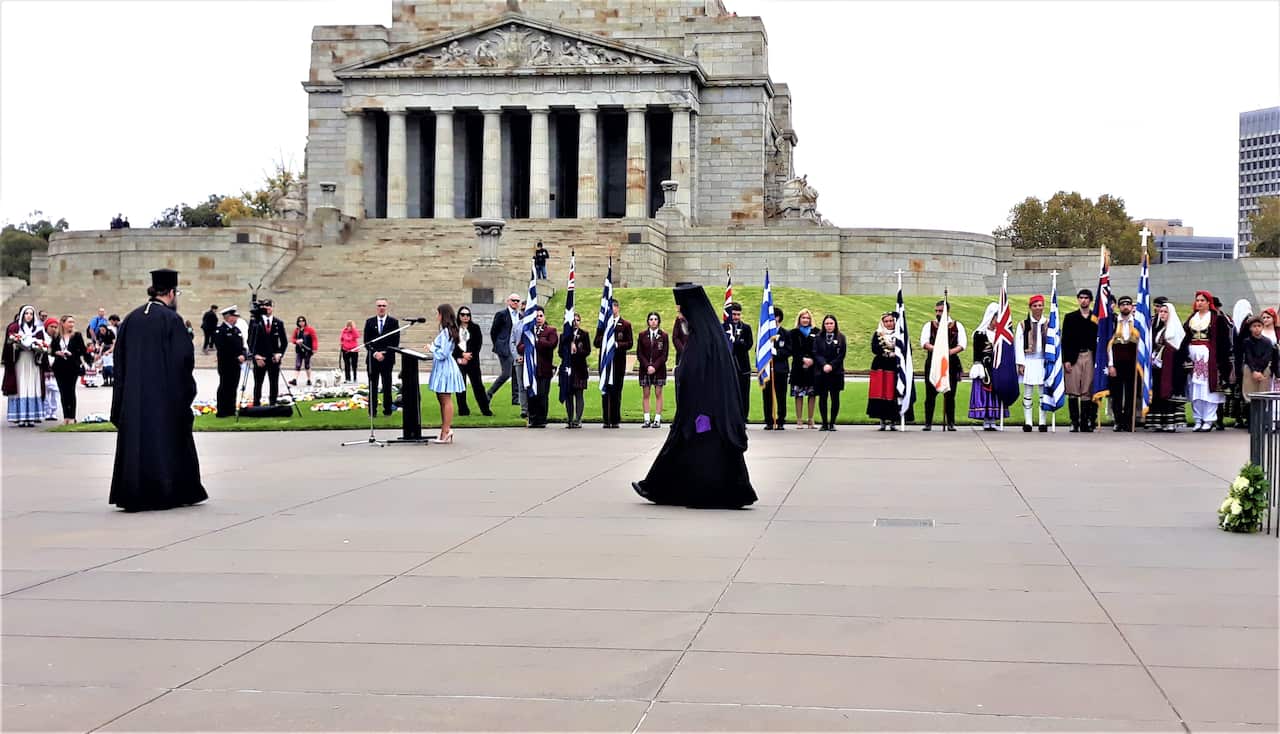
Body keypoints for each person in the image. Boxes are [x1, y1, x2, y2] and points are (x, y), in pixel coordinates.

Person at [632, 284, 757, 509]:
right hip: (696, 404)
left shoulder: (704, 338)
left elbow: (699, 372)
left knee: (696, 448)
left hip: (704, 407)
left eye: (682, 310)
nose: (679, 315)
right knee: (680, 446)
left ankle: (673, 488)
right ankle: (656, 486)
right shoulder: (706, 335)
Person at [109, 269, 207, 512]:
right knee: (166, 444)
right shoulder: (171, 320)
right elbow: (183, 362)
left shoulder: (130, 319)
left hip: (133, 400)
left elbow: (119, 362)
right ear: (171, 293)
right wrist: (184, 395)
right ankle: (165, 491)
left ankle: (133, 493)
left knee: (136, 446)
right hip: (164, 400)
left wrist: (120, 400)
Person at [1179, 290, 1233, 432]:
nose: (1199, 303)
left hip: (1210, 356)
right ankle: (1198, 418)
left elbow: (1224, 342)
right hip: (1193, 355)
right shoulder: (1192, 318)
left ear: (1209, 303)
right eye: (1198, 300)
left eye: (1202, 300)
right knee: (1195, 388)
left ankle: (1209, 419)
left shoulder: (1216, 318)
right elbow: (1183, 337)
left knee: (1209, 388)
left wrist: (1222, 361)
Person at [920, 299, 966, 431]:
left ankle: (951, 422)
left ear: (947, 311)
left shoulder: (957, 326)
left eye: (940, 311)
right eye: (936, 311)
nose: (937, 313)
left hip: (950, 362)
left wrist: (948, 352)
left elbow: (962, 344)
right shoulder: (929, 325)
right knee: (930, 394)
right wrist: (937, 350)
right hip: (933, 362)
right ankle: (928, 422)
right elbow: (924, 342)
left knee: (950, 394)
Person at [3, 305, 48, 427]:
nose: (29, 316)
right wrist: (15, 344)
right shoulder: (14, 327)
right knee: (21, 385)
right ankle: (20, 417)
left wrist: (39, 348)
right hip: (20, 362)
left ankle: (32, 416)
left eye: (31, 314)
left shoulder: (38, 329)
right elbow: (8, 346)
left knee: (32, 385)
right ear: (22, 314)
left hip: (33, 362)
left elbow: (43, 344)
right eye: (27, 313)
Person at [426, 303, 465, 444]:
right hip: (441, 367)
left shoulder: (448, 332)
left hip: (445, 368)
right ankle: (444, 429)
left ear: (443, 315)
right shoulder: (446, 331)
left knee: (446, 398)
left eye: (438, 314)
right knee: (442, 399)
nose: (437, 317)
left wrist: (431, 349)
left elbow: (443, 353)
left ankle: (447, 430)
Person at [1061, 288, 1098, 432]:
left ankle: (1085, 421)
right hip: (1074, 357)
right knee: (1072, 389)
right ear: (1078, 299)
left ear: (1090, 300)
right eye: (1081, 298)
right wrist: (1066, 360)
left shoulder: (1095, 318)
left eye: (1086, 298)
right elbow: (1065, 340)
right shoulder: (1070, 318)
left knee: (1087, 390)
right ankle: (1074, 421)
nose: (1083, 300)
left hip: (1089, 356)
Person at [1147, 299, 1186, 432]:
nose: (1162, 314)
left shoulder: (1176, 329)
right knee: (1158, 392)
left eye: (1165, 312)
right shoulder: (1157, 328)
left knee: (1169, 392)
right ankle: (1158, 421)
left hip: (1172, 367)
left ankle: (1170, 422)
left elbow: (1180, 349)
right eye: (1161, 312)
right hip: (1157, 366)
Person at [968, 303, 1008, 431]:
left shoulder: (1001, 335)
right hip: (984, 369)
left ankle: (994, 419)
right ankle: (986, 419)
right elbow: (977, 353)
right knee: (985, 392)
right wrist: (978, 365)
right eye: (996, 318)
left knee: (996, 393)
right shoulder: (980, 334)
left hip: (996, 368)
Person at [594, 299, 633, 428]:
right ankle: (606, 419)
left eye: (613, 308)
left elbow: (630, 343)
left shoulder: (625, 324)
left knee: (616, 392)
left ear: (617, 308)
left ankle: (615, 419)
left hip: (618, 364)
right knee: (606, 392)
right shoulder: (603, 325)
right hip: (606, 364)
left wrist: (617, 344)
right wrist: (606, 341)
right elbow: (596, 342)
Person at [518, 306, 558, 428]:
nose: (538, 318)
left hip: (544, 369)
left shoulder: (550, 330)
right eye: (536, 316)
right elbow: (520, 346)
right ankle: (533, 418)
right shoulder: (528, 331)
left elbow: (552, 344)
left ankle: (541, 419)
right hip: (531, 369)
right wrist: (529, 345)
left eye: (540, 316)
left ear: (544, 317)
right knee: (532, 394)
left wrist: (537, 341)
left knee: (542, 394)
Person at [1015, 294, 1050, 432]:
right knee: (1028, 392)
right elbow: (1018, 344)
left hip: (1043, 361)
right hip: (1029, 360)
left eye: (1040, 305)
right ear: (1030, 307)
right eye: (1035, 305)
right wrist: (1020, 363)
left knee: (1043, 393)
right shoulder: (1023, 324)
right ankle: (1028, 421)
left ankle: (1042, 421)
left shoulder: (1048, 323)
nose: (1038, 308)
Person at [1107, 296, 1140, 432]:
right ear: (1119, 307)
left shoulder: (1138, 322)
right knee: (1117, 394)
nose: (1125, 307)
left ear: (1132, 307)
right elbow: (1108, 345)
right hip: (1117, 362)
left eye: (1128, 304)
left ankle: (1128, 421)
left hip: (1133, 363)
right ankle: (1118, 421)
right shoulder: (1113, 322)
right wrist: (1110, 364)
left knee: (1131, 394)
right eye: (1123, 304)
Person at [868, 311, 906, 430]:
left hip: (895, 367)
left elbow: (906, 349)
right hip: (881, 366)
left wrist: (897, 354)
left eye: (891, 321)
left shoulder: (900, 334)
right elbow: (874, 348)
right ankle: (882, 420)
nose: (889, 323)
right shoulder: (878, 334)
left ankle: (893, 421)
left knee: (893, 392)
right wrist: (886, 354)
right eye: (886, 321)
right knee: (881, 392)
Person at [50, 315, 91, 425]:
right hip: (59, 366)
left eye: (73, 322)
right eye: (69, 322)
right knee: (63, 392)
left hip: (72, 366)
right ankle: (66, 417)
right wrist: (57, 352)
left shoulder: (76, 335)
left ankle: (72, 416)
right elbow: (52, 349)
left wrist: (87, 360)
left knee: (70, 391)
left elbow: (82, 349)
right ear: (63, 323)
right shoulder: (57, 336)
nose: (71, 324)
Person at [453, 306, 493, 417]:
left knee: (478, 386)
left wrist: (468, 356)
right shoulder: (454, 328)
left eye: (468, 315)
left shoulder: (475, 328)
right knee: (461, 386)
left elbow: (477, 344)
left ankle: (485, 409)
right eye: (463, 314)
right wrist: (462, 355)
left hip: (472, 361)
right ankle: (463, 410)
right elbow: (452, 345)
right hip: (459, 360)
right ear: (459, 316)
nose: (465, 317)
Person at [363, 298, 399, 416]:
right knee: (373, 386)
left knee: (387, 385)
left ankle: (387, 410)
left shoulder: (393, 322)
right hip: (373, 359)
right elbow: (366, 341)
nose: (381, 308)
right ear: (376, 307)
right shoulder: (369, 322)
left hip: (387, 359)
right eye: (379, 305)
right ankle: (372, 412)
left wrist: (384, 353)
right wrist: (375, 353)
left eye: (383, 305)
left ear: (386, 307)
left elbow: (395, 342)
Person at [248, 299, 287, 407]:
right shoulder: (255, 322)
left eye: (269, 305)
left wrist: (280, 353)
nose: (267, 308)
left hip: (274, 358)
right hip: (260, 358)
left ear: (272, 307)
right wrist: (255, 356)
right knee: (258, 383)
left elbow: (284, 342)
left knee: (274, 383)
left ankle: (273, 404)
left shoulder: (278, 323)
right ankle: (256, 404)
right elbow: (250, 341)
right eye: (265, 306)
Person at [813, 314, 847, 431]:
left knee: (835, 398)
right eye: (826, 323)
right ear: (823, 325)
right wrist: (824, 365)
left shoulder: (841, 337)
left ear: (835, 324)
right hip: (821, 372)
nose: (829, 326)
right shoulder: (818, 337)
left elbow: (842, 354)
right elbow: (816, 353)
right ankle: (824, 423)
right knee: (822, 398)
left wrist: (831, 365)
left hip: (836, 372)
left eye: (831, 323)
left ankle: (832, 423)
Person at [558, 312, 591, 428]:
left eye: (577, 320)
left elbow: (587, 351)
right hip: (568, 368)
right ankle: (570, 419)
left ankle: (578, 419)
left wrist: (577, 351)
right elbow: (560, 352)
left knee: (579, 394)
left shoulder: (584, 334)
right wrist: (568, 351)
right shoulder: (564, 336)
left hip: (580, 368)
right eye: (573, 320)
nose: (575, 322)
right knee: (568, 395)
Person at [486, 294, 520, 406]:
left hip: (516, 347)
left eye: (517, 301)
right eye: (513, 300)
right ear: (508, 301)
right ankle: (489, 393)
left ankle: (515, 398)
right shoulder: (501, 314)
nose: (515, 302)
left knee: (516, 373)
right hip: (504, 347)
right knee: (506, 373)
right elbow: (493, 331)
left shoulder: (520, 316)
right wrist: (498, 344)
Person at [636, 311, 669, 428]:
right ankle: (646, 419)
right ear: (648, 321)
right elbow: (639, 353)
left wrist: (654, 366)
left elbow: (664, 355)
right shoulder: (642, 335)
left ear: (658, 321)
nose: (653, 321)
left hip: (659, 369)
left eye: (655, 319)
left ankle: (657, 419)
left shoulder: (664, 336)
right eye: (651, 319)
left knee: (658, 393)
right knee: (646, 393)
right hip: (645, 369)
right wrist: (647, 366)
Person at [1239, 316, 1279, 409]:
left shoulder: (1267, 342)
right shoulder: (1247, 341)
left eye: (1259, 326)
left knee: (1263, 395)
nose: (1257, 328)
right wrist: (1254, 371)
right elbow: (1248, 357)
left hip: (1263, 370)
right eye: (1254, 326)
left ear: (1262, 327)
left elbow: (1266, 357)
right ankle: (1250, 420)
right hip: (1251, 369)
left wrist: (1259, 371)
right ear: (1250, 328)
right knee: (1250, 395)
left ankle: (1263, 421)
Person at [213, 306, 246, 418]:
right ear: (228, 317)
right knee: (225, 386)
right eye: (234, 316)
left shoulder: (237, 330)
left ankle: (231, 409)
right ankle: (222, 410)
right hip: (226, 364)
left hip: (236, 365)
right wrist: (236, 357)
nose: (236, 318)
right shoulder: (220, 331)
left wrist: (243, 355)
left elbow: (242, 346)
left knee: (233, 386)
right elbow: (222, 349)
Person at [723, 302, 753, 422]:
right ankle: (729, 417)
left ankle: (743, 417)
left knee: (743, 393)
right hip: (728, 366)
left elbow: (749, 344)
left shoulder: (746, 328)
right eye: (734, 314)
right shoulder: (723, 327)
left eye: (738, 314)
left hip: (742, 366)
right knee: (728, 394)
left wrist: (738, 343)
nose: (736, 317)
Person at [763, 306, 791, 430]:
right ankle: (769, 420)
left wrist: (776, 352)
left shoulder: (786, 333)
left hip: (781, 369)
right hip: (767, 369)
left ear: (778, 318)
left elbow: (789, 350)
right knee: (767, 396)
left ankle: (780, 420)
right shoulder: (764, 334)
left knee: (781, 396)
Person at [789, 309, 817, 429]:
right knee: (798, 394)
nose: (805, 320)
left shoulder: (817, 332)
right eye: (803, 318)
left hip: (812, 367)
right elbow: (792, 349)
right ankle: (799, 420)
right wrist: (802, 359)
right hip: (798, 367)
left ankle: (811, 420)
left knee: (812, 394)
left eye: (807, 318)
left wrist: (812, 360)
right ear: (799, 319)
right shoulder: (793, 333)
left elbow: (819, 348)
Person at [42, 317, 61, 421]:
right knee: (45, 390)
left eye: (55, 327)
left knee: (55, 390)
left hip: (54, 368)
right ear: (46, 327)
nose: (53, 329)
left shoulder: (57, 339)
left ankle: (53, 411)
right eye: (51, 326)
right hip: (45, 368)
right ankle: (46, 411)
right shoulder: (42, 338)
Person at [290, 316, 318, 387]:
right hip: (299, 350)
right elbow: (292, 339)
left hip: (307, 350)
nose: (301, 323)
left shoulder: (309, 329)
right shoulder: (297, 330)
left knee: (307, 365)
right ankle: (294, 380)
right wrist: (296, 341)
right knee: (298, 365)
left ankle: (309, 379)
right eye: (300, 321)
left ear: (305, 322)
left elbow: (314, 339)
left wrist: (314, 348)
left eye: (303, 321)